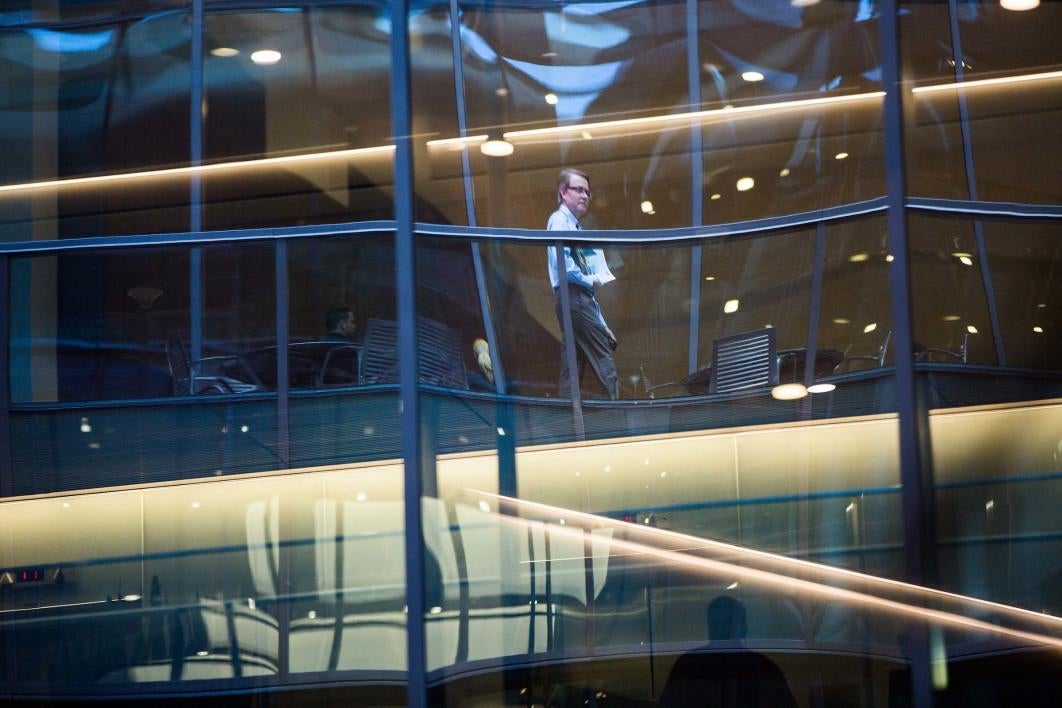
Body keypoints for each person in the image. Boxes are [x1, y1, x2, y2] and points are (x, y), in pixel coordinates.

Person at [546, 168, 619, 400]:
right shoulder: (559, 221)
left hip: (576, 299)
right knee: (602, 356)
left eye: (588, 192)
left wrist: (602, 323)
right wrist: (591, 278)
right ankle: (617, 415)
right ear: (563, 193)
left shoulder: (575, 227)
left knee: (573, 365)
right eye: (579, 190)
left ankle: (569, 422)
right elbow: (565, 267)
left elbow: (587, 293)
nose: (585, 196)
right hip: (573, 296)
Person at [659, 595, 798, 707]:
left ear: (744, 628)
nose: (722, 632)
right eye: (716, 625)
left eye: (728, 624)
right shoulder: (687, 666)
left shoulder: (764, 669)